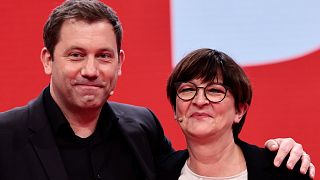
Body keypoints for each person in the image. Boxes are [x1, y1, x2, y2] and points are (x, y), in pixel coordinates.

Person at [0, 0, 314, 179]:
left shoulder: (141, 130)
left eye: (104, 56)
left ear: (120, 62)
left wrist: (286, 149)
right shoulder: (5, 135)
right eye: (76, 55)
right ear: (47, 59)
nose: (91, 71)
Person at [160, 48, 314, 179]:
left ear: (239, 110)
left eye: (214, 90)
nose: (199, 101)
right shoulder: (156, 172)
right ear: (175, 109)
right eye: (187, 90)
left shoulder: (283, 171)